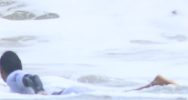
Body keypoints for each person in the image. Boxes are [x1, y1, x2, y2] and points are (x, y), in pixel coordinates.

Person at [1, 50, 174, 95]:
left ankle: (155, 84)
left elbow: (31, 78)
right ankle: (154, 85)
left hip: (66, 94)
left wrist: (40, 92)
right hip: (71, 90)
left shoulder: (12, 78)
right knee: (121, 94)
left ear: (2, 70)